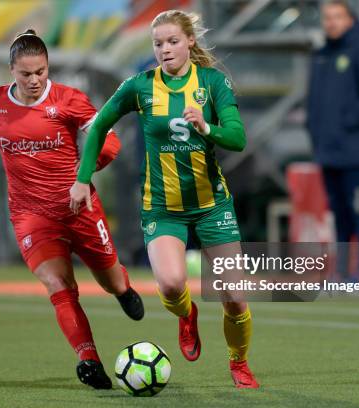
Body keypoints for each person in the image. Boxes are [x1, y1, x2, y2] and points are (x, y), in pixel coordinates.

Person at [0, 29, 144, 390]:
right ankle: (88, 359)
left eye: (41, 72)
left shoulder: (69, 100)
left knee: (110, 280)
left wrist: (85, 175)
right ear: (11, 70)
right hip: (31, 215)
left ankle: (123, 289)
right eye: (26, 73)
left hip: (80, 209)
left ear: (48, 67)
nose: (34, 80)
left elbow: (109, 143)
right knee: (57, 283)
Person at [70, 10, 259, 389]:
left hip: (211, 206)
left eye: (172, 41)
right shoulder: (139, 86)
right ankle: (186, 315)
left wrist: (207, 127)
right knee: (172, 285)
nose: (164, 49)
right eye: (158, 43)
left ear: (190, 41)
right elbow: (98, 126)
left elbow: (238, 138)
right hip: (163, 208)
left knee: (236, 299)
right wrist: (82, 178)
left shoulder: (213, 83)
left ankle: (239, 363)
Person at [306, 0, 359, 281]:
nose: (332, 22)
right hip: (328, 152)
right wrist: (315, 132)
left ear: (349, 19)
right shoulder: (320, 55)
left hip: (355, 152)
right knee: (338, 213)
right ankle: (341, 270)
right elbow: (313, 102)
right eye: (327, 17)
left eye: (338, 16)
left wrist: (346, 123)